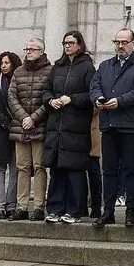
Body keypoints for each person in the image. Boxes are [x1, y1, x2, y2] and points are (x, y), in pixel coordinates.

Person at [90, 28, 134, 228]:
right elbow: (95, 85)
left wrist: (120, 101)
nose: (120, 45)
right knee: (108, 170)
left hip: (131, 125)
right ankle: (107, 211)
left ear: (133, 43)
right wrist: (98, 98)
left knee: (131, 169)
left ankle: (130, 212)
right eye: (117, 42)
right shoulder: (105, 65)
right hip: (109, 124)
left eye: (124, 42)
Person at [42, 30, 96, 223]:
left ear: (79, 45)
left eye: (71, 43)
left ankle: (75, 210)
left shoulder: (87, 67)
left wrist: (70, 99)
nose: (67, 46)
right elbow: (46, 90)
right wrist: (51, 101)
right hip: (56, 125)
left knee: (74, 169)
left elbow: (91, 94)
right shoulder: (58, 67)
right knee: (57, 169)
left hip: (77, 126)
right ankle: (55, 208)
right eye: (65, 43)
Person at [8, 38, 52, 221]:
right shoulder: (18, 71)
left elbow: (50, 98)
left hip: (40, 126)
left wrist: (33, 118)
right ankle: (22, 206)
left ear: (41, 51)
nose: (28, 52)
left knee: (40, 166)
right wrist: (24, 117)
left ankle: (39, 206)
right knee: (22, 167)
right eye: (27, 49)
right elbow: (11, 97)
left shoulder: (50, 71)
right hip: (21, 126)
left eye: (32, 49)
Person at [0, 52, 21, 219]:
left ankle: (11, 204)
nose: (4, 65)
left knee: (15, 168)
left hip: (18, 129)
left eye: (7, 62)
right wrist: (6, 123)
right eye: (2, 62)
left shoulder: (19, 80)